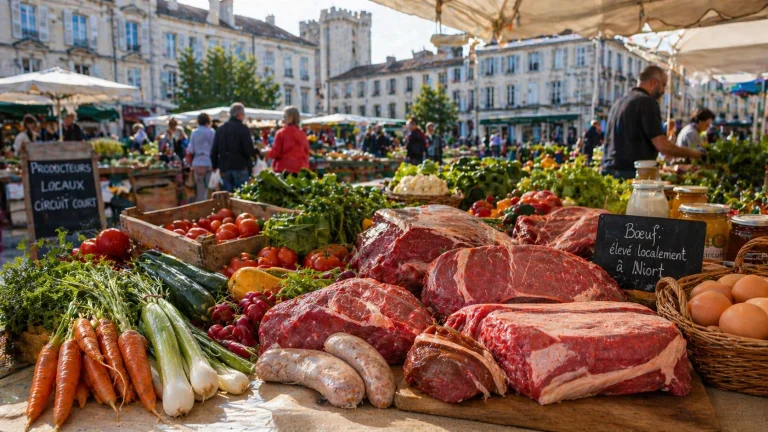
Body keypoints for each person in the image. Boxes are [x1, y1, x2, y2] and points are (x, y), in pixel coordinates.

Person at [601, 65, 702, 179]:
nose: (664, 91)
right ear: (654, 82)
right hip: (632, 174)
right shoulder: (647, 102)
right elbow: (662, 146)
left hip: (609, 172)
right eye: (663, 85)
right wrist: (694, 154)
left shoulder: (619, 102)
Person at [212, 103, 257, 192]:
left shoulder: (220, 129)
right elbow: (249, 150)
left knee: (227, 195)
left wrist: (214, 165)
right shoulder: (243, 129)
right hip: (240, 166)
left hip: (225, 167)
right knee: (242, 195)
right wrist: (252, 160)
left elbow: (215, 149)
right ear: (240, 115)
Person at [268, 106, 310, 174]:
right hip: (301, 168)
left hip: (284, 169)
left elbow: (275, 153)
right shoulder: (302, 134)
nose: (283, 120)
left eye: (284, 117)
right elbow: (306, 151)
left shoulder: (281, 133)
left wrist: (267, 152)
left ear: (290, 118)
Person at [186, 113, 215, 202]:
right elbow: (214, 148)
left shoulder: (194, 132)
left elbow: (191, 149)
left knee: (199, 190)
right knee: (209, 189)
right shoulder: (211, 132)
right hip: (208, 161)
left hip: (197, 162)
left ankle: (201, 205)